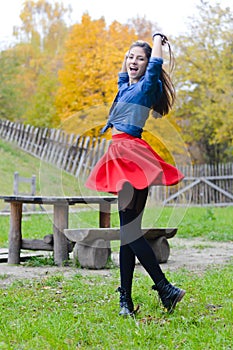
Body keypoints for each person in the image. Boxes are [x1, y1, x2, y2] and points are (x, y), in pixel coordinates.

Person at [85, 33, 186, 316]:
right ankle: (126, 301)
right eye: (130, 57)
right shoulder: (127, 86)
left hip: (129, 156)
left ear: (147, 65)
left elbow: (154, 66)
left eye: (139, 59)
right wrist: (127, 59)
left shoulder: (146, 85)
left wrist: (156, 41)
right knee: (129, 232)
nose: (133, 62)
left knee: (128, 230)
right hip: (125, 155)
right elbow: (122, 76)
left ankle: (164, 287)